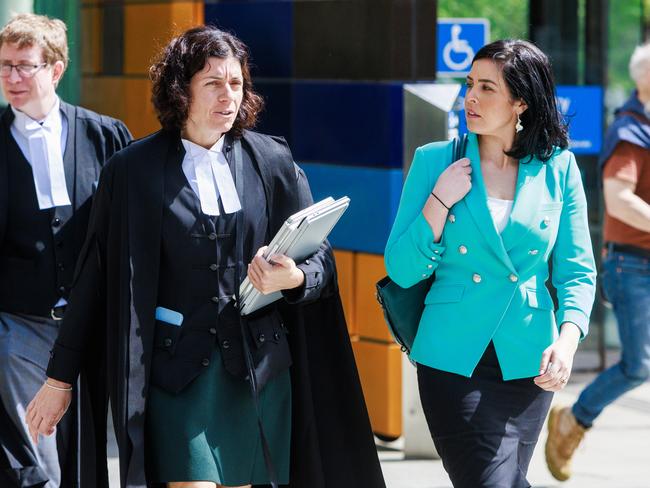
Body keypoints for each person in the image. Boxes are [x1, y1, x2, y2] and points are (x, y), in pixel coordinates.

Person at [25, 25, 385, 488]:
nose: (227, 96)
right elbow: (95, 278)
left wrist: (293, 278)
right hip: (177, 377)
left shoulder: (271, 160)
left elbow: (322, 262)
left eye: (235, 84)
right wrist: (60, 379)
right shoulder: (133, 170)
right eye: (212, 83)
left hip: (259, 372)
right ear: (181, 89)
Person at [385, 39, 597, 488]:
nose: (471, 99)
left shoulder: (559, 168)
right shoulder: (436, 161)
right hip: (452, 359)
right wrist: (439, 201)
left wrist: (568, 340)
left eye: (486, 88)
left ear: (520, 101)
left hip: (529, 361)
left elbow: (578, 271)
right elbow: (401, 269)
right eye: (469, 85)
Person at [0, 13, 131, 488]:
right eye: (5, 66)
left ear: (55, 70)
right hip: (19, 324)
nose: (12, 78)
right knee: (35, 454)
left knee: (85, 447)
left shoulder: (106, 136)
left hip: (91, 324)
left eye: (24, 66)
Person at [545, 42, 650, 482]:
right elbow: (618, 200)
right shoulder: (630, 131)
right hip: (633, 266)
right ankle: (574, 419)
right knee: (637, 364)